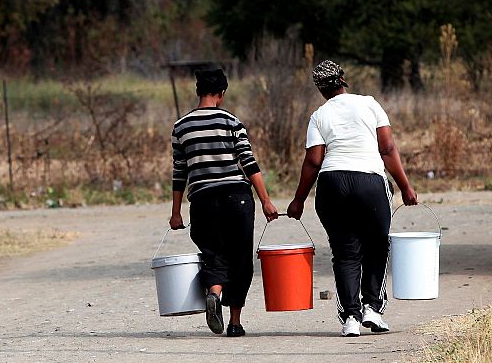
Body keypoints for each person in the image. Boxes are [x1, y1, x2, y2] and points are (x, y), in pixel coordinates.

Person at [286, 60, 418, 337]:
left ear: (320, 89)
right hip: (369, 181)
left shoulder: (319, 115)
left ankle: (350, 319)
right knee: (377, 245)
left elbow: (313, 161)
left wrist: (298, 200)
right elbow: (387, 147)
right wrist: (405, 186)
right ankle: (372, 308)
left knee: (345, 253)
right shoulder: (369, 103)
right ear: (343, 80)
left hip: (332, 184)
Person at [169, 68, 279, 337]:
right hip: (236, 198)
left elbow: (179, 172)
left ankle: (215, 293)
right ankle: (235, 322)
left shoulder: (181, 127)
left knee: (213, 253)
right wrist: (265, 200)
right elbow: (248, 162)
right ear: (221, 94)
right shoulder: (231, 121)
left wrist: (175, 213)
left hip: (203, 200)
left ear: (197, 92)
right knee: (240, 257)